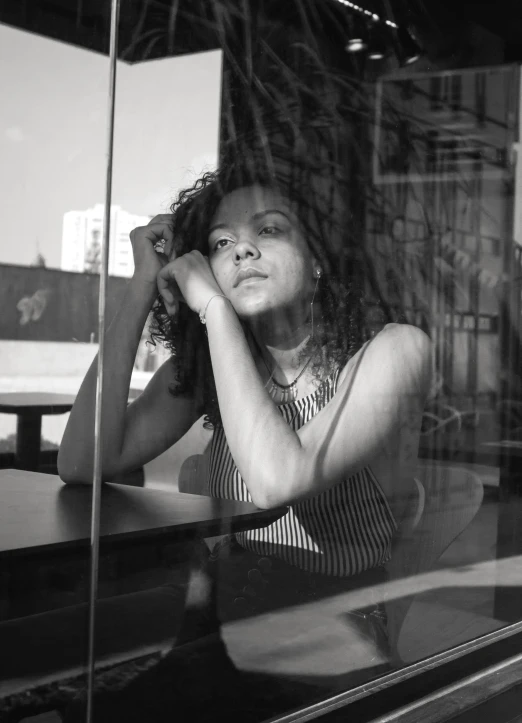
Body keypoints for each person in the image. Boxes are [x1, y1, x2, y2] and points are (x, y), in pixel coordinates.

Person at [58, 162, 432, 720]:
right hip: (217, 620)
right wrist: (141, 286)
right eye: (222, 242)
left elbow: (281, 478)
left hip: (333, 638)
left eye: (270, 230)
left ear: (319, 258)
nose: (242, 252)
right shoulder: (221, 366)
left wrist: (212, 309)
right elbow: (83, 460)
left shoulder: (395, 350)